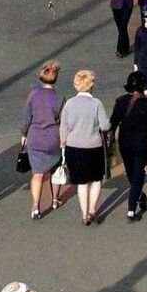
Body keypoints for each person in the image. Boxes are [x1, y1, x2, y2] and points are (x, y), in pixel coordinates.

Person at [60, 69, 112, 225]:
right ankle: (92, 210)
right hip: (93, 146)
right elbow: (105, 125)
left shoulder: (69, 103)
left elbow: (64, 127)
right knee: (96, 180)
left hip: (73, 147)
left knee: (82, 183)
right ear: (91, 85)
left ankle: (84, 214)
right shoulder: (96, 104)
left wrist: (63, 143)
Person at [109, 72, 147, 221]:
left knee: (131, 173)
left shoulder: (120, 102)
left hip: (125, 142)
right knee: (138, 175)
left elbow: (112, 123)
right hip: (143, 143)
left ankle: (137, 197)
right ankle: (132, 209)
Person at [21, 60, 64, 219]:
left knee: (37, 174)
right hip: (54, 137)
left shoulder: (34, 95)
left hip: (36, 137)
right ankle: (54, 199)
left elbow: (26, 118)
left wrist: (24, 134)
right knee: (56, 169)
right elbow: (63, 119)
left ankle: (35, 207)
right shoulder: (59, 97)